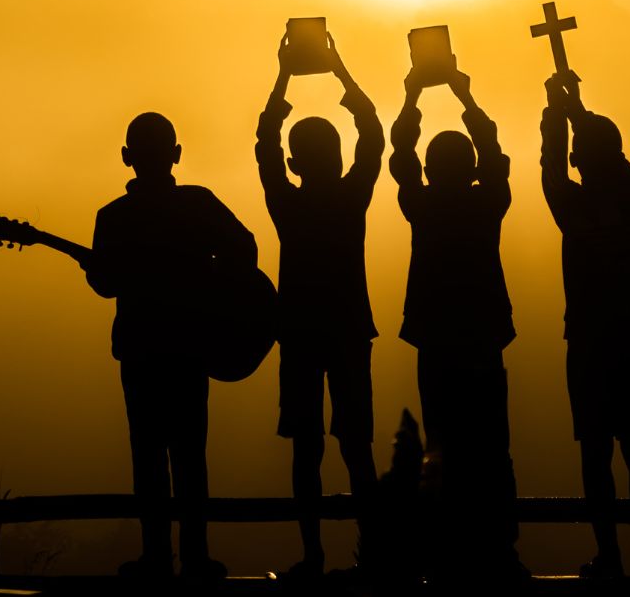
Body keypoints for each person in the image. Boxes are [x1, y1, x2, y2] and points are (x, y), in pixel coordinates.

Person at [83, 110, 257, 582]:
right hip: (188, 349)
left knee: (148, 457)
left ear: (126, 158)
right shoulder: (199, 205)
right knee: (188, 455)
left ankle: (156, 558)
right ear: (176, 155)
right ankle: (195, 558)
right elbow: (246, 249)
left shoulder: (113, 217)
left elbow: (104, 283)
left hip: (142, 353)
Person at [389, 65, 526, 581]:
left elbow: (399, 159)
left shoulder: (421, 205)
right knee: (493, 445)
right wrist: (464, 94)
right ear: (470, 169)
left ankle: (445, 548)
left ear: (429, 169)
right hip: (484, 338)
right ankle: (500, 547)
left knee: (441, 441)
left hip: (437, 341)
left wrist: (412, 97)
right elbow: (492, 155)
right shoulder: (486, 202)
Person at [255, 31, 382, 577]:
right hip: (348, 329)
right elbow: (373, 136)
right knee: (357, 447)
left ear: (294, 160)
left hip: (302, 333)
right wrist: (339, 71)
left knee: (306, 449)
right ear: (336, 156)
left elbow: (264, 144)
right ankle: (372, 553)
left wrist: (285, 74)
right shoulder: (352, 197)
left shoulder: (286, 203)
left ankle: (312, 554)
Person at [540, 71, 630, 578]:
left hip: (590, 340)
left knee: (596, 451)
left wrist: (555, 115)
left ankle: (609, 553)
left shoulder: (570, 206)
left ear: (577, 161)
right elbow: (612, 159)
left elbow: (550, 170)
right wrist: (576, 109)